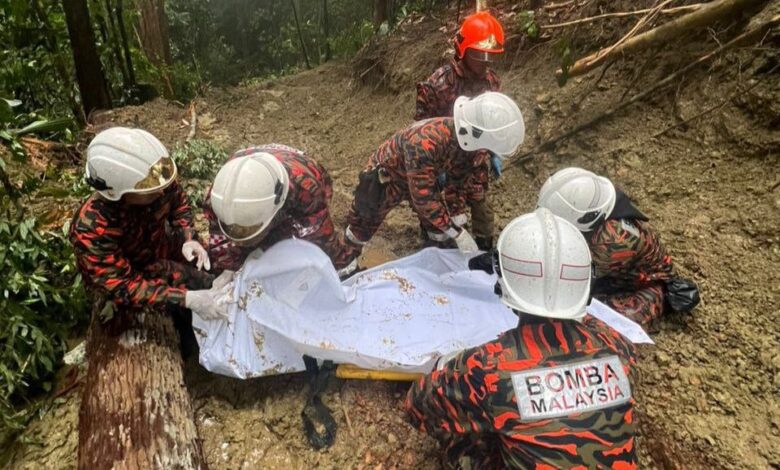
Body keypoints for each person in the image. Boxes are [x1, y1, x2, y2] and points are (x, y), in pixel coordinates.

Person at [406, 208, 638, 468]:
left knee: (466, 434)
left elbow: (418, 407)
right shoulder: (619, 346)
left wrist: (448, 367)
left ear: (503, 282)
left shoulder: (488, 367)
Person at [70, 127, 228, 321]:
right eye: (152, 192)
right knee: (195, 292)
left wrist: (189, 238)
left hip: (163, 244)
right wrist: (186, 299)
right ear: (119, 193)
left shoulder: (152, 181)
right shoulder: (92, 229)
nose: (162, 193)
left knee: (216, 265)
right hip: (138, 274)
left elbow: (179, 202)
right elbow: (120, 286)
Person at [344, 92, 524, 259]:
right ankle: (346, 263)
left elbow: (459, 180)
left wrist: (456, 212)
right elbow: (424, 199)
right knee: (363, 224)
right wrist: (458, 233)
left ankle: (434, 259)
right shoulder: (424, 143)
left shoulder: (466, 144)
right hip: (390, 178)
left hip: (423, 174)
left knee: (439, 231)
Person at [537, 167, 675, 328]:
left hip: (647, 286)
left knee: (596, 321)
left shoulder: (611, 241)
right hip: (614, 273)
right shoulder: (596, 201)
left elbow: (577, 281)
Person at [414, 10, 505, 249]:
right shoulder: (439, 84)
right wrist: (435, 166)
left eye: (490, 56)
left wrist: (494, 151)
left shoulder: (491, 82)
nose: (485, 61)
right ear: (463, 51)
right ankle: (436, 247)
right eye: (479, 55)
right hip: (443, 156)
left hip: (475, 157)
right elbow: (421, 127)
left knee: (480, 203)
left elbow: (493, 119)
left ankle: (484, 251)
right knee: (438, 209)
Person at [203, 144, 360, 276]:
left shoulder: (307, 192)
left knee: (298, 250)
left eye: (248, 233)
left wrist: (343, 269)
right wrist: (227, 270)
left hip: (301, 177)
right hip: (255, 169)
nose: (243, 242)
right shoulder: (220, 195)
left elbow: (321, 238)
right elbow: (219, 236)